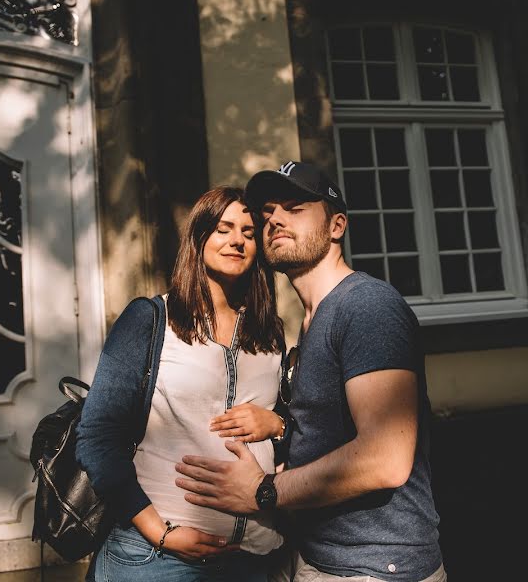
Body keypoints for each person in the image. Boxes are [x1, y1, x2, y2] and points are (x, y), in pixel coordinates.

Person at [174, 162, 446, 582]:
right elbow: (326, 435)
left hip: (372, 568)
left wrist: (262, 491)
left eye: (295, 207)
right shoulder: (310, 322)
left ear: (337, 226)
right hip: (313, 554)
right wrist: (280, 433)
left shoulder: (366, 307)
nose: (275, 220)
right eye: (268, 213)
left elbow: (386, 458)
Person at [75, 186, 290, 582]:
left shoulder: (270, 333)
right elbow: (96, 436)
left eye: (247, 231)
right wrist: (161, 533)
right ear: (199, 237)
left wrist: (276, 424)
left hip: (255, 557)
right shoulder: (150, 320)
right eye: (224, 229)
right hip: (157, 558)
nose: (237, 240)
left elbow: (298, 429)